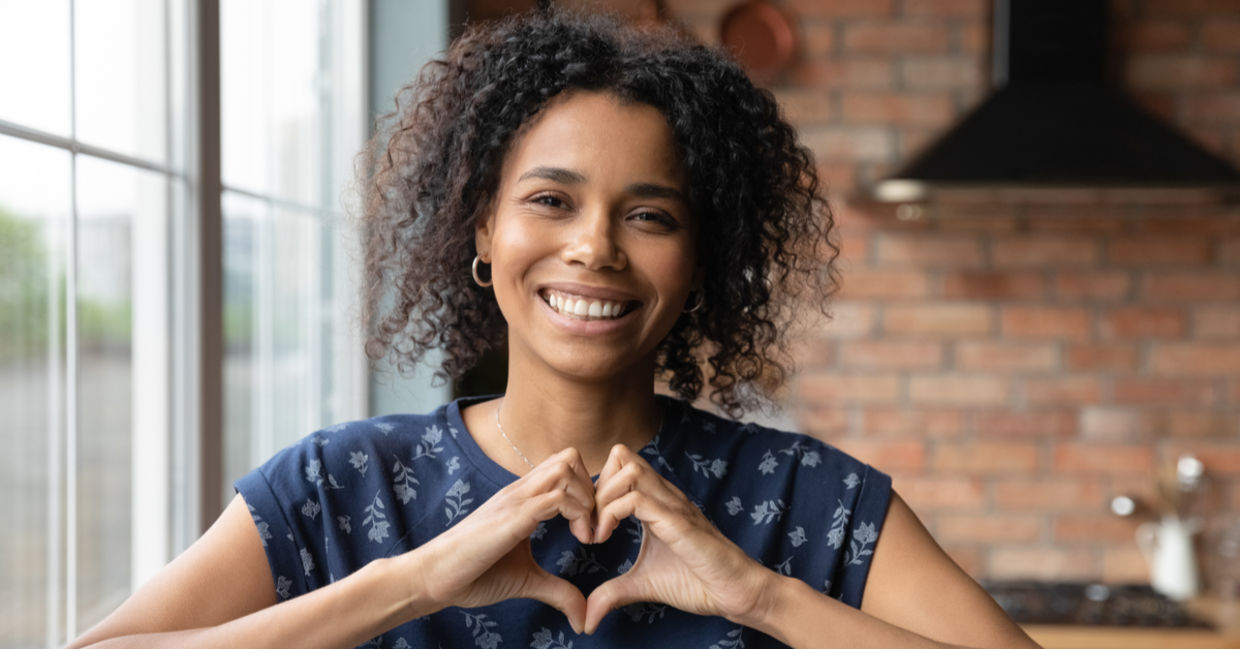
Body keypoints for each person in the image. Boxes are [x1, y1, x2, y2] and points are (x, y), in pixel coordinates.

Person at [70, 9, 1040, 649]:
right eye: (550, 199)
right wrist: (409, 584)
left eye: (649, 214)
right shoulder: (336, 489)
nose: (594, 248)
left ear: (699, 259)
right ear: (483, 232)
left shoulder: (806, 500)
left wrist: (760, 597)